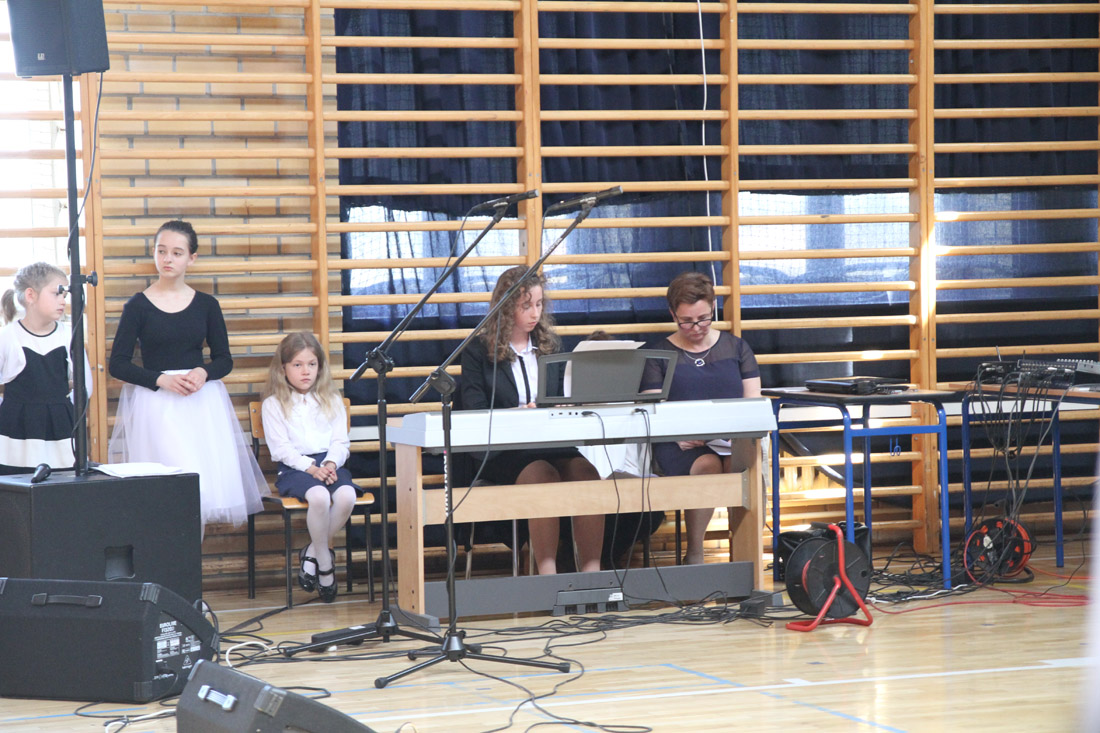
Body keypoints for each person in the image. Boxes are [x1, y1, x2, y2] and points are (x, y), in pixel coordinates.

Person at [108, 220, 264, 531]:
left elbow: (224, 360)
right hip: (158, 405)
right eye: (161, 251)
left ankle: (191, 561)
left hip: (199, 407)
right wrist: (160, 379)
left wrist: (203, 372)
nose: (167, 259)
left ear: (192, 258)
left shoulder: (206, 305)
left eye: (177, 253)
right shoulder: (137, 306)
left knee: (201, 492)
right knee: (168, 496)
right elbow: (118, 364)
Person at [458, 266, 604, 575]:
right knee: (543, 477)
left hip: (551, 444)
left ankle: (593, 575)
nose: (535, 313)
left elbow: (558, 398)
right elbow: (474, 411)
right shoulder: (478, 352)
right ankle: (547, 577)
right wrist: (519, 413)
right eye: (526, 305)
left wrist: (567, 404)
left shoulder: (549, 346)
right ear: (505, 307)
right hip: (505, 450)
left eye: (539, 304)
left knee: (587, 474)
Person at [642, 271, 762, 565]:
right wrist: (679, 434)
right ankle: (695, 552)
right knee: (708, 465)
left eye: (703, 319)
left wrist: (728, 434)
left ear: (713, 308)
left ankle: (746, 555)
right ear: (673, 314)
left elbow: (753, 405)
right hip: (678, 443)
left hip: (729, 440)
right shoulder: (657, 354)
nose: (696, 328)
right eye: (686, 321)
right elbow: (652, 412)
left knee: (745, 468)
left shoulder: (736, 348)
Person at [261, 331, 361, 603]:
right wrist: (311, 468)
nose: (306, 371)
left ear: (320, 367)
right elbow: (280, 449)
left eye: (312, 364)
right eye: (297, 364)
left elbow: (341, 442)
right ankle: (325, 565)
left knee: (347, 496)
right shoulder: (273, 404)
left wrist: (329, 463)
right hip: (294, 468)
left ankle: (313, 553)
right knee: (319, 497)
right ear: (283, 368)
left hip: (330, 463)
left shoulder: (332, 399)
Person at [0, 262, 88, 474]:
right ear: (31, 295)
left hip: (61, 431)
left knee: (63, 485)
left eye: (64, 295)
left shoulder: (69, 335)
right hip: (15, 437)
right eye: (56, 294)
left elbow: (86, 386)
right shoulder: (8, 337)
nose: (63, 301)